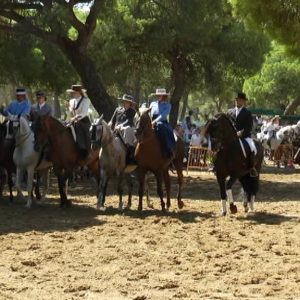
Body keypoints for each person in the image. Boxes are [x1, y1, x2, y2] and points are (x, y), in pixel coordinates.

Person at [227, 92, 258, 177]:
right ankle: (215, 164)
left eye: (240, 100)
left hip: (244, 136)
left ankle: (252, 167)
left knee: (252, 147)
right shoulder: (229, 112)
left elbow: (249, 126)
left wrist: (241, 132)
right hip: (231, 136)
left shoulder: (247, 113)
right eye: (237, 100)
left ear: (244, 102)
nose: (238, 102)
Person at [109, 94, 137, 164]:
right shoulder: (117, 109)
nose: (125, 103)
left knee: (127, 130)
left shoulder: (132, 112)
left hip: (125, 130)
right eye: (124, 101)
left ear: (130, 103)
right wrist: (109, 125)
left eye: (127, 102)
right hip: (115, 130)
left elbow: (129, 122)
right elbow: (112, 120)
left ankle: (130, 154)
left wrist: (121, 126)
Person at [66, 84, 91, 160]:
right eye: (72, 92)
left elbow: (83, 113)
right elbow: (70, 113)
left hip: (83, 121)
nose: (73, 94)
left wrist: (75, 118)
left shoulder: (86, 100)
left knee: (81, 130)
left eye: (74, 92)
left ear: (79, 92)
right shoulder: (71, 101)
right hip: (73, 120)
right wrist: (69, 118)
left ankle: (84, 150)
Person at [149, 88, 176, 159]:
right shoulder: (152, 104)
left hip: (162, 122)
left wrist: (155, 122)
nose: (158, 96)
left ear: (164, 96)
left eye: (160, 95)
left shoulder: (168, 105)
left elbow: (163, 115)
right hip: (151, 121)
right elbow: (149, 112)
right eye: (157, 95)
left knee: (160, 127)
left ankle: (166, 150)